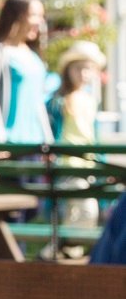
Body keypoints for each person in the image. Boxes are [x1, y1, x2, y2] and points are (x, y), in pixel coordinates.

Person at [0, 0, 52, 143]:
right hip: (9, 141)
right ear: (15, 17)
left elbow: (38, 102)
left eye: (41, 16)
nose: (40, 22)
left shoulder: (34, 57)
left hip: (36, 143)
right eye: (34, 15)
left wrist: (48, 141)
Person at [51, 41, 106, 231]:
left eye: (88, 69)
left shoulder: (91, 100)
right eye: (78, 69)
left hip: (87, 164)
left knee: (86, 212)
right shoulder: (59, 101)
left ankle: (70, 248)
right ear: (68, 70)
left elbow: (92, 135)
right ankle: (66, 248)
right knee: (78, 210)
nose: (83, 74)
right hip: (67, 164)